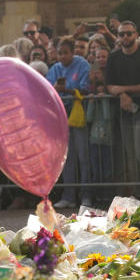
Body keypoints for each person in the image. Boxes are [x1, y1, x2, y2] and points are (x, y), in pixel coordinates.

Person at [105, 21, 140, 189]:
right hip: (124, 111)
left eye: (129, 33)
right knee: (130, 156)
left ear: (136, 34)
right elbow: (110, 85)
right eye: (121, 34)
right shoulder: (114, 57)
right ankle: (137, 192)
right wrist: (123, 95)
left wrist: (124, 90)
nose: (125, 37)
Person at [47, 37, 91, 208]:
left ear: (72, 52)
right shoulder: (54, 69)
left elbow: (86, 87)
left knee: (83, 157)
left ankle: (87, 195)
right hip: (61, 118)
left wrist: (68, 90)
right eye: (60, 53)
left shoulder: (82, 65)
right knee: (67, 158)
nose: (63, 56)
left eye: (66, 53)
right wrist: (56, 90)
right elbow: (47, 88)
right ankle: (69, 196)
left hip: (78, 116)